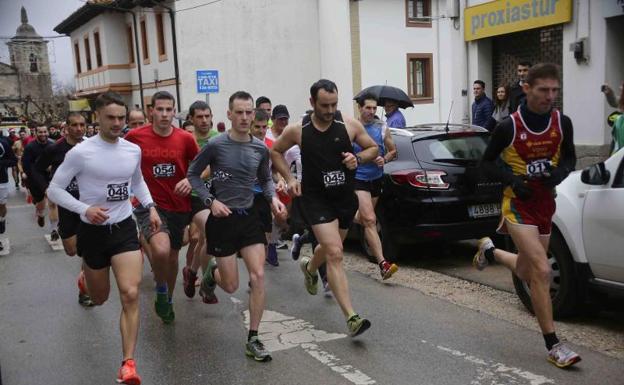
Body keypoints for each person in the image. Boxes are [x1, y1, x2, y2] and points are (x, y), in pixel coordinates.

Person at [47, 91, 161, 384]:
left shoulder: (131, 150)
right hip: (92, 232)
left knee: (131, 293)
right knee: (100, 298)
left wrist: (150, 207)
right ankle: (85, 280)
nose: (117, 123)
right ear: (96, 117)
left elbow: (136, 181)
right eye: (110, 117)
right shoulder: (81, 153)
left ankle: (128, 364)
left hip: (123, 228)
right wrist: (85, 209)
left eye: (121, 118)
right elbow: (54, 190)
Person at [474, 63, 581, 368]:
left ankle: (490, 251)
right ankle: (554, 344)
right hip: (517, 205)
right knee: (543, 271)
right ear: (527, 89)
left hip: (545, 203)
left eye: (555, 90)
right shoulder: (509, 126)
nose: (550, 96)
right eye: (543, 90)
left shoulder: (563, 122)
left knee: (526, 270)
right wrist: (514, 182)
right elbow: (486, 163)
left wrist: (558, 175)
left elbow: (570, 157)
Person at [271, 79, 378, 337]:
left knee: (331, 249)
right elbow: (275, 152)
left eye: (334, 105)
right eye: (324, 105)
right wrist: (290, 178)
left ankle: (308, 267)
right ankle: (351, 317)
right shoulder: (299, 130)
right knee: (335, 253)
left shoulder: (348, 124)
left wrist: (358, 157)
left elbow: (373, 149)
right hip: (315, 199)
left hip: (343, 198)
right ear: (312, 103)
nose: (330, 111)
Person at [189, 91, 285, 362]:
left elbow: (265, 179)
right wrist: (210, 201)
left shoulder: (259, 148)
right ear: (229, 115)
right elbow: (193, 175)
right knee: (231, 285)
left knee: (257, 276)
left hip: (250, 216)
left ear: (254, 114)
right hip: (222, 219)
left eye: (249, 112)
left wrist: (274, 199)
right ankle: (211, 275)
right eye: (239, 112)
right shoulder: (216, 145)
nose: (244, 117)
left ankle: (253, 338)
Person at [125, 91, 199, 324]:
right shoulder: (135, 137)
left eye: (169, 110)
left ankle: (167, 298)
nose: (165, 114)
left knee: (173, 257)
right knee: (161, 250)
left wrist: (190, 180)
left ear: (175, 112)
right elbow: (117, 158)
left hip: (179, 206)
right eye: (160, 109)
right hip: (149, 205)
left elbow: (201, 166)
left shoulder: (185, 138)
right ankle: (159, 288)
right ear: (151, 111)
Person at [31, 112, 91, 305]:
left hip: (88, 205)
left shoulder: (91, 146)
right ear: (66, 127)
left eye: (82, 125)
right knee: (72, 250)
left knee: (88, 250)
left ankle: (85, 287)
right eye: (74, 125)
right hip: (66, 205)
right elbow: (37, 169)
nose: (79, 129)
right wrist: (46, 189)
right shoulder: (55, 149)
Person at [353, 93, 398, 279]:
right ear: (360, 108)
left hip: (376, 179)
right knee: (370, 220)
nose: (371, 111)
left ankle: (343, 216)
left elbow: (393, 150)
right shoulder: (352, 128)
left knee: (363, 218)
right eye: (367, 108)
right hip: (358, 179)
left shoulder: (382, 127)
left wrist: (384, 158)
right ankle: (383, 264)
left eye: (374, 108)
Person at [182, 100, 219, 302]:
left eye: (207, 116)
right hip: (189, 197)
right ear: (191, 118)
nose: (204, 120)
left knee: (206, 237)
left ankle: (196, 276)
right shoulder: (186, 140)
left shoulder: (218, 139)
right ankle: (200, 279)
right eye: (199, 117)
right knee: (200, 237)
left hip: (210, 196)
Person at [21, 124, 55, 229]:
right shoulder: (30, 147)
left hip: (51, 178)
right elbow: (26, 165)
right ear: (36, 133)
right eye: (40, 132)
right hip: (36, 179)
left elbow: (59, 160)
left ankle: (54, 229)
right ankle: (40, 214)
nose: (43, 134)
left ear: (48, 132)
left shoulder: (53, 144)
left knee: (53, 202)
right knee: (41, 203)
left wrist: (52, 167)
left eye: (45, 132)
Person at [0, 131, 18, 251]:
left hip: (1, 180)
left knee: (1, 206)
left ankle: (1, 220)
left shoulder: (3, 142)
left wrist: (1, 163)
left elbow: (13, 161)